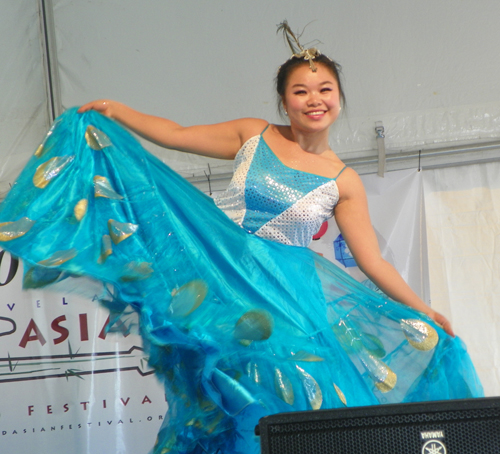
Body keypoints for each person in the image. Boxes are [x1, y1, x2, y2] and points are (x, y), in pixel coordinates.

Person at [0, 22, 482, 454]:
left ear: (339, 98)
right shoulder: (253, 136)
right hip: (222, 271)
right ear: (284, 101)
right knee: (225, 396)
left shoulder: (344, 180)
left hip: (288, 295)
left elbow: (373, 263)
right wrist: (116, 110)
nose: (314, 99)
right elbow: (174, 133)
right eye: (300, 91)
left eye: (324, 89)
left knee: (291, 400)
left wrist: (423, 310)